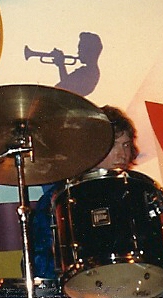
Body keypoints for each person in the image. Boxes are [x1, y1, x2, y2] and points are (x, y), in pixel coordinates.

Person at [29, 105, 139, 279]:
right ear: (91, 148)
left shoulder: (137, 190)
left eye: (126, 145)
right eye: (113, 145)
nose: (122, 154)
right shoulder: (59, 197)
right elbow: (36, 266)